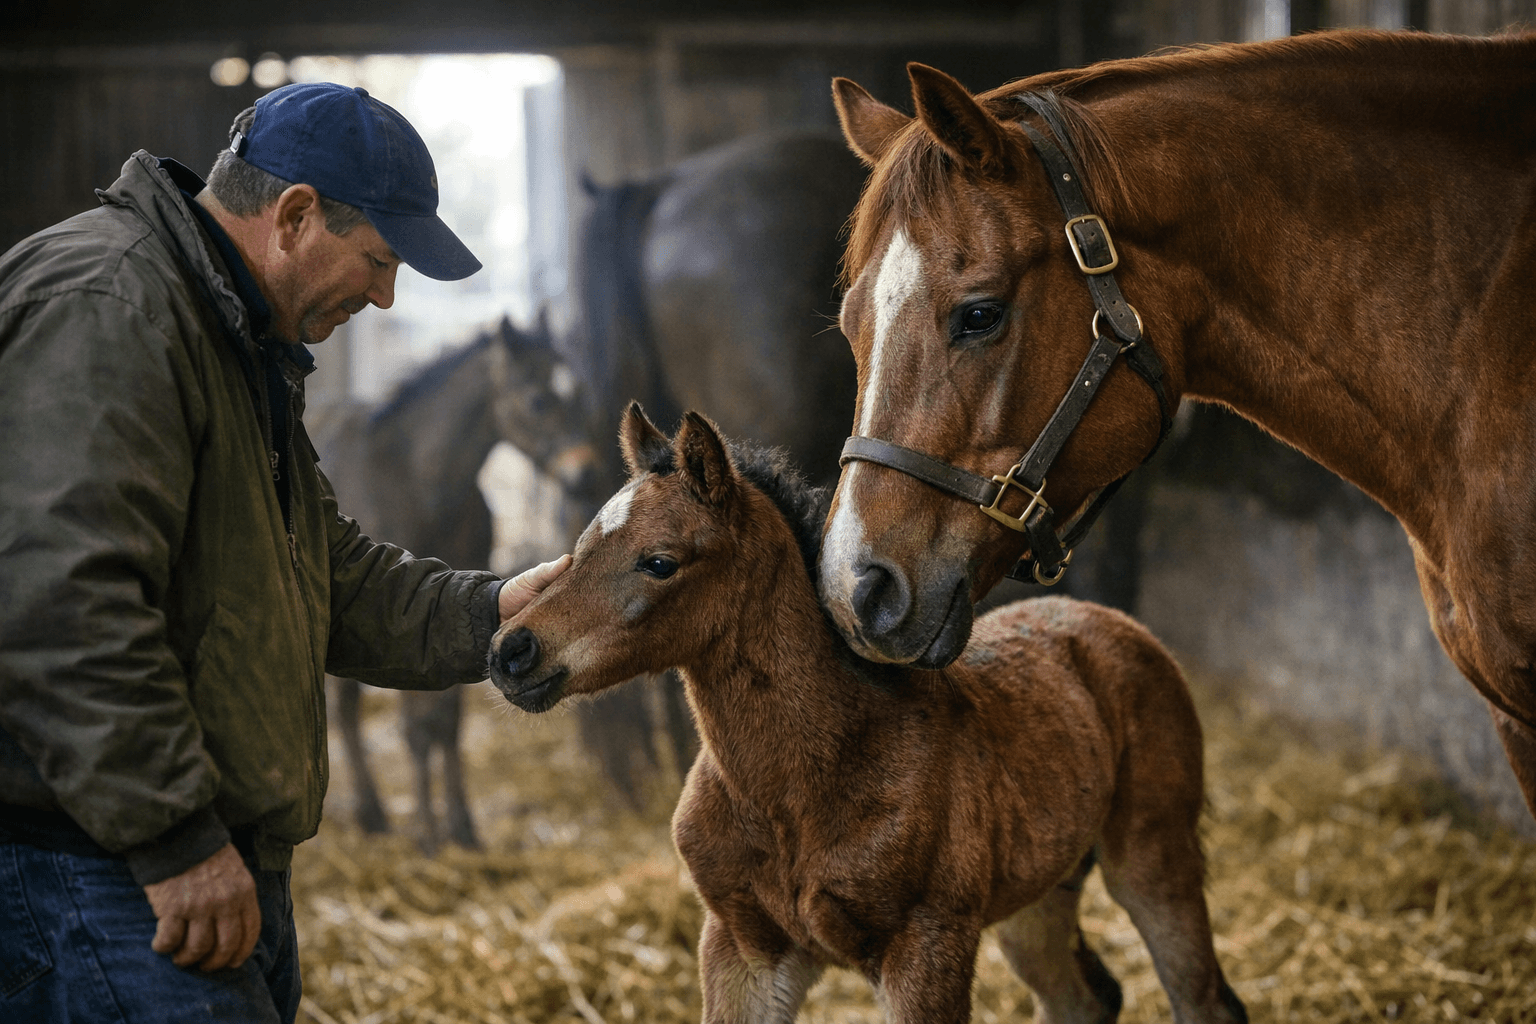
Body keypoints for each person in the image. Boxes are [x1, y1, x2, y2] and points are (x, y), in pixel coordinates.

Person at [0, 82, 568, 1022]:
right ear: (295, 214)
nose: (386, 298)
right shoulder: (112, 307)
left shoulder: (229, 335)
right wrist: (175, 838)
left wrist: (494, 610)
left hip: (188, 864)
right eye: (378, 261)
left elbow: (323, 574)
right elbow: (57, 602)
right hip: (102, 873)